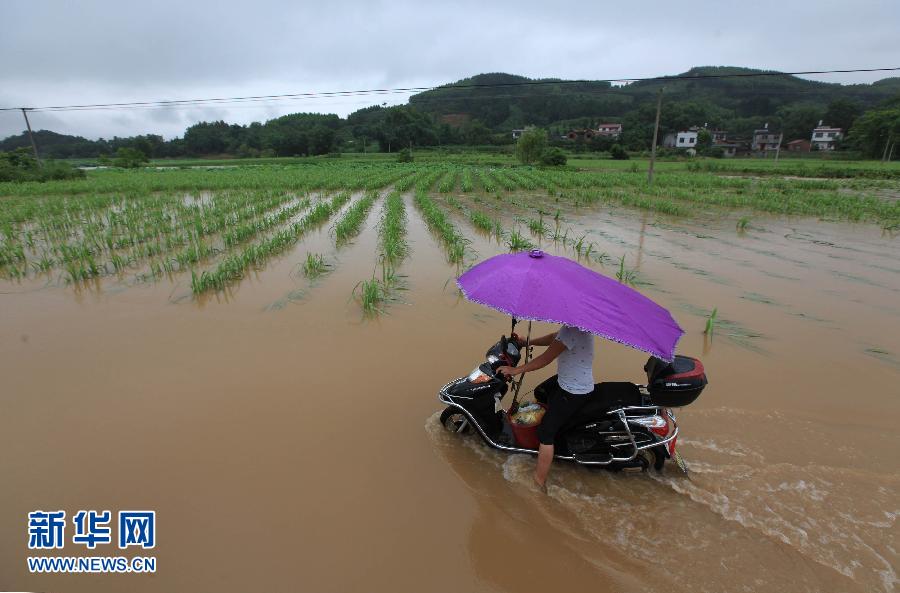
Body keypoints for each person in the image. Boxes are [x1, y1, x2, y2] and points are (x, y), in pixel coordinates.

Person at [497, 325, 595, 491]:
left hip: (573, 390)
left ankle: (539, 481)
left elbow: (544, 359)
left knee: (545, 432)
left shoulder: (572, 331)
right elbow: (553, 338)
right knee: (542, 393)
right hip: (570, 381)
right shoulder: (576, 326)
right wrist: (525, 342)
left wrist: (515, 370)